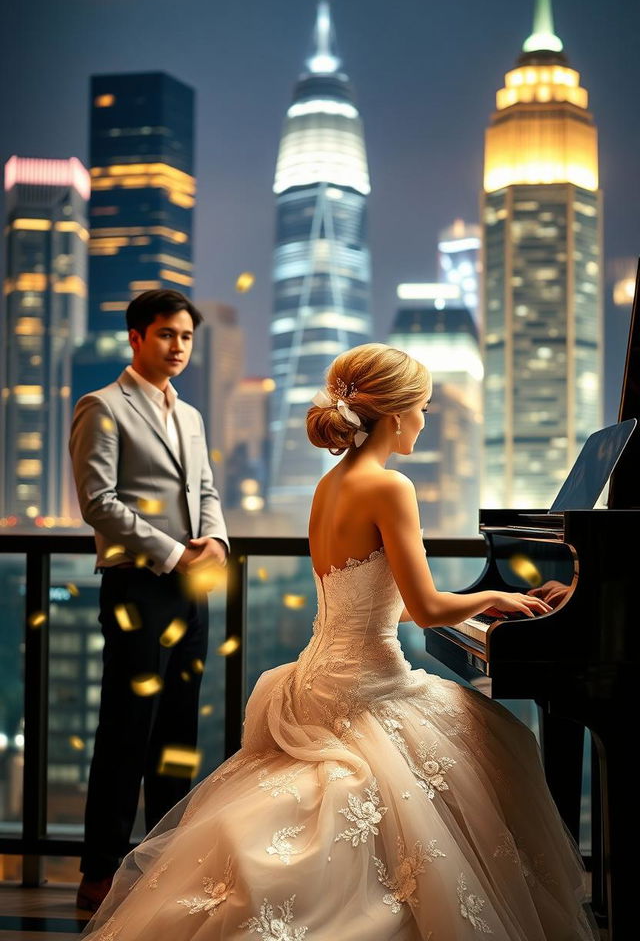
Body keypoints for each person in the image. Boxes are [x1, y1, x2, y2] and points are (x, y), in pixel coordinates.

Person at [81, 343, 598, 939]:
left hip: (317, 679)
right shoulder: (389, 487)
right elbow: (426, 609)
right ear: (398, 412)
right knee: (503, 739)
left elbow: (381, 600)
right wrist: (494, 599)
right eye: (424, 408)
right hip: (367, 688)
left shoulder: (331, 485)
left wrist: (478, 605)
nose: (426, 422)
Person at [70, 289, 228, 912]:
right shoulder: (102, 406)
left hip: (191, 589)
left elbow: (207, 486)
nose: (178, 347)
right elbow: (97, 501)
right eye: (166, 335)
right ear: (136, 338)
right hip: (138, 583)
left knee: (178, 730)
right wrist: (175, 552)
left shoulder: (188, 414)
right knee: (124, 731)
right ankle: (99, 871)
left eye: (186, 337)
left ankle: (166, 866)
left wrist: (214, 539)